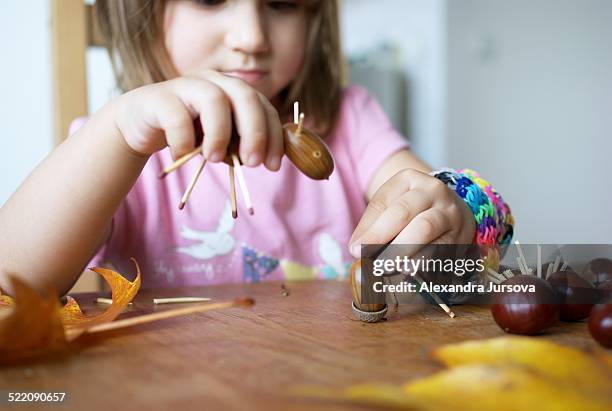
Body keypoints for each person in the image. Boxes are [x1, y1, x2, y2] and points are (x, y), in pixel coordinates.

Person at [0, 0, 512, 295]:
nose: (251, 36)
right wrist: (119, 133)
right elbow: (12, 277)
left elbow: (484, 225)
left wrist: (456, 213)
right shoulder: (117, 148)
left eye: (282, 1)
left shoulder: (351, 120)